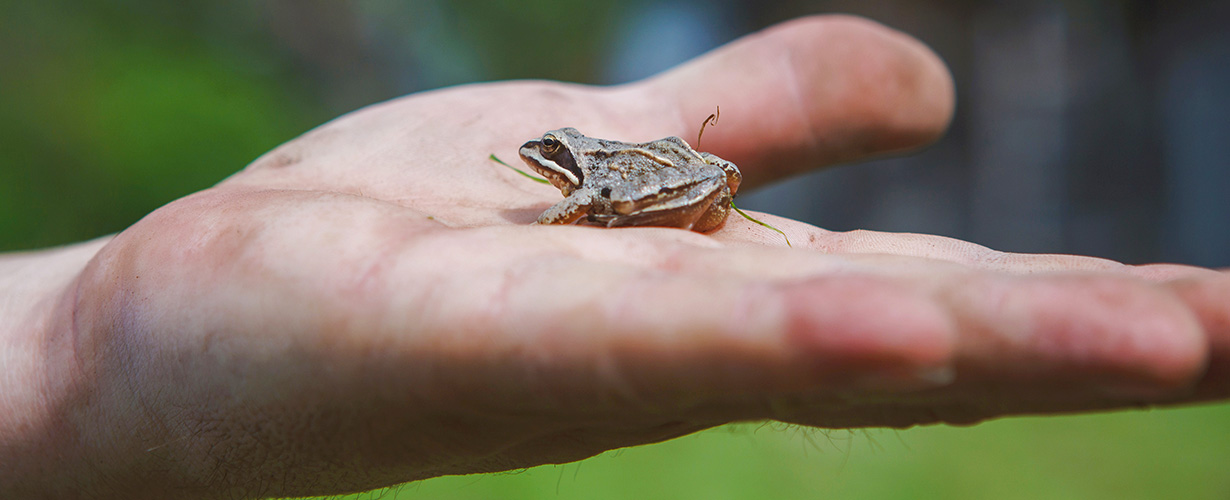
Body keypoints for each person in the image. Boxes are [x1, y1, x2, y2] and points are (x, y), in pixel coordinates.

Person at [1, 15, 1226, 499]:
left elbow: (599, 188)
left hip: (662, 181)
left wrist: (67, 350)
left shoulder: (579, 178)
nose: (538, 171)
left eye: (543, 163)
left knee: (691, 185)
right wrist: (64, 351)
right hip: (642, 174)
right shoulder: (560, 169)